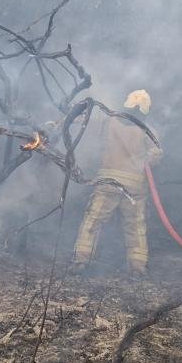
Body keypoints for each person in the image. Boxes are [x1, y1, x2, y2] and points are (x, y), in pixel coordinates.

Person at [71, 89, 162, 276]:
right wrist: (142, 162)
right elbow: (157, 154)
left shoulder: (109, 121)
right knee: (135, 226)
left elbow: (86, 127)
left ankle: (81, 261)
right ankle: (138, 268)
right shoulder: (147, 129)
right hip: (135, 185)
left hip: (108, 182)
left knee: (93, 221)